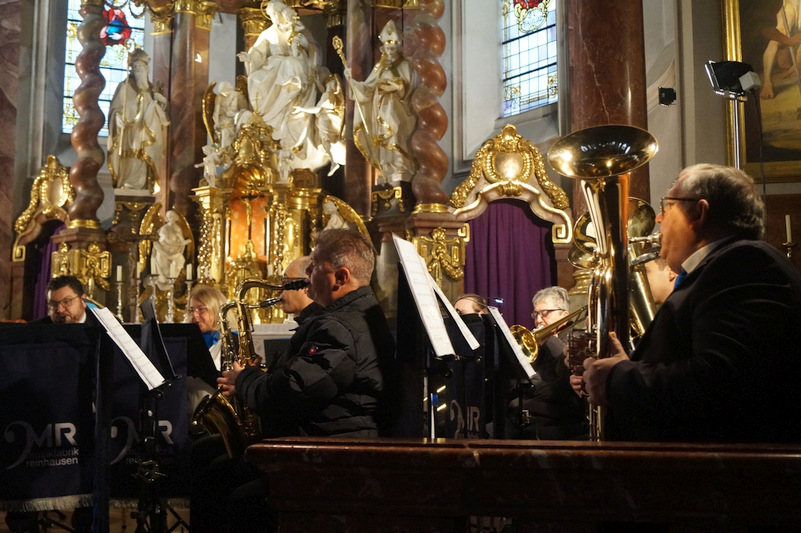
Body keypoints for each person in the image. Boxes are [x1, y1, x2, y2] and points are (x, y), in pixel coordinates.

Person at [191, 229, 396, 532]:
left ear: (341, 277)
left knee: (229, 491)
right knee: (213, 469)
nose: (307, 275)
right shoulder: (356, 315)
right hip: (327, 444)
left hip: (331, 456)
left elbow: (291, 391)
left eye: (315, 267)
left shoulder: (340, 327)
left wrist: (245, 378)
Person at [581, 164, 801, 442]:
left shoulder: (745, 263)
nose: (659, 218)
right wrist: (627, 365)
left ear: (699, 212)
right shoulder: (726, 266)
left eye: (668, 206)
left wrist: (619, 379)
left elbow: (719, 382)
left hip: (725, 465)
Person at [507, 287, 587, 440]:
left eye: (545, 313)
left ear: (564, 315)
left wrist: (549, 340)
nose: (538, 320)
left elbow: (568, 373)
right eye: (536, 314)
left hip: (557, 423)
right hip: (523, 416)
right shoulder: (536, 343)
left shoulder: (577, 338)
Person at [344, 20, 417, 183]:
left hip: (398, 108)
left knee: (395, 134)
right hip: (381, 108)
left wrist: (397, 87)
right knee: (384, 137)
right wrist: (352, 81)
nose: (390, 52)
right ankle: (387, 168)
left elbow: (409, 87)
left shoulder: (405, 65)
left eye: (393, 48)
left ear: (398, 48)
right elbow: (367, 88)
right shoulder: (380, 67)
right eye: (387, 48)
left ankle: (400, 167)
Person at [107, 48, 169, 191]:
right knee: (132, 155)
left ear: (147, 69)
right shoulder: (125, 87)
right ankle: (129, 182)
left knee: (145, 155)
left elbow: (162, 114)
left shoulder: (152, 91)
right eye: (135, 67)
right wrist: (117, 117)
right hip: (130, 132)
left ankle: (144, 183)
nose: (138, 70)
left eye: (141, 67)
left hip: (147, 131)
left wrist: (162, 102)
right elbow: (115, 108)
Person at [151, 210, 190, 291]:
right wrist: (181, 243)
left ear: (175, 218)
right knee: (164, 268)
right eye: (169, 217)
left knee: (179, 261)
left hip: (175, 251)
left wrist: (182, 241)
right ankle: (163, 282)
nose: (171, 219)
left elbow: (181, 239)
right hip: (163, 251)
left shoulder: (177, 228)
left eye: (172, 217)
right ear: (167, 219)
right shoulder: (164, 229)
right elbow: (168, 241)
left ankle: (171, 282)